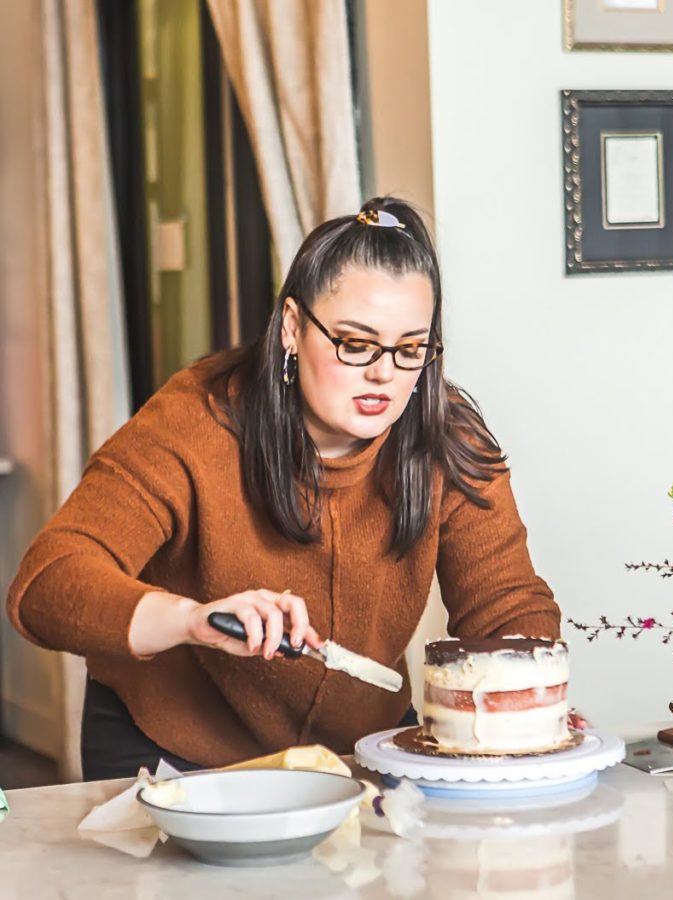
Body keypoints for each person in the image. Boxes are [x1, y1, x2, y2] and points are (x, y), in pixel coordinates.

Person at [7, 197, 561, 780]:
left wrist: (530, 708)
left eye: (409, 349)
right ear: (293, 327)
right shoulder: (198, 419)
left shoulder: (445, 439)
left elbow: (508, 606)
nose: (383, 373)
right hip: (174, 752)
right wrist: (194, 619)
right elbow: (48, 583)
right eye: (355, 343)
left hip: (358, 746)